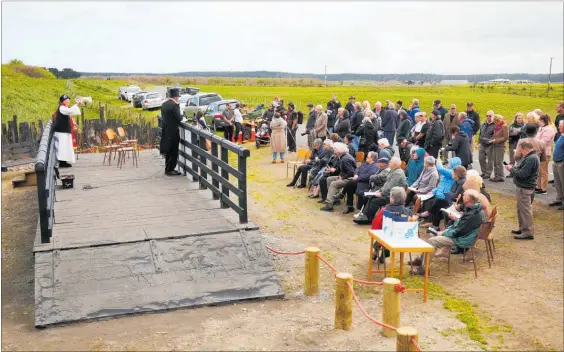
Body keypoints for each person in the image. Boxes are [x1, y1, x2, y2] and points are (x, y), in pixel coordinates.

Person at [409, 190, 485, 275]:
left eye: (464, 196)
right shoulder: (475, 208)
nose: (462, 196)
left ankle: (424, 268)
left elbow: (458, 231)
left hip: (462, 239)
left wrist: (443, 233)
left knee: (432, 241)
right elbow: (463, 225)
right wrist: (455, 221)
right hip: (463, 236)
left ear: (467, 199)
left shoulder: (472, 214)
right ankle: (421, 261)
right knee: (432, 238)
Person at [353, 157, 407, 224]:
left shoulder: (397, 173)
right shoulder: (393, 171)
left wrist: (382, 193)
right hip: (389, 193)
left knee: (375, 200)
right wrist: (379, 191)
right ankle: (365, 216)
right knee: (372, 197)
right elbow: (386, 185)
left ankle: (369, 219)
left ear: (395, 164)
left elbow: (390, 187)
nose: (389, 163)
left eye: (390, 162)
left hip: (394, 196)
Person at [505, 141, 540, 240]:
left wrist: (511, 169)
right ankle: (522, 228)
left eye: (520, 150)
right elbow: (522, 170)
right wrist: (514, 168)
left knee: (525, 211)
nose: (519, 152)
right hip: (524, 187)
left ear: (525, 149)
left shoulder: (531, 158)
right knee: (521, 210)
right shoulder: (531, 157)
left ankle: (527, 232)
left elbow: (522, 174)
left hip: (525, 188)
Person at [320, 142, 357, 212]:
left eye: (335, 150)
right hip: (344, 177)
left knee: (333, 183)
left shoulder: (345, 159)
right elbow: (343, 170)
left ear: (339, 151)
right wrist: (335, 170)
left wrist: (342, 177)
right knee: (329, 179)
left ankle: (329, 204)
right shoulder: (343, 157)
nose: (334, 152)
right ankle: (334, 199)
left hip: (349, 179)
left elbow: (351, 173)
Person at [53, 94, 80, 169]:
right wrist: (77, 104)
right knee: (62, 147)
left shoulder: (64, 108)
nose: (68, 101)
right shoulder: (62, 108)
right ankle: (62, 162)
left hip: (64, 131)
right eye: (66, 100)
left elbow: (71, 113)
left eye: (68, 100)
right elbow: (71, 111)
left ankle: (64, 162)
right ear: (63, 101)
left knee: (65, 147)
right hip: (61, 132)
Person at [159, 88, 183, 175]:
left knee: (168, 151)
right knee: (174, 151)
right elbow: (179, 118)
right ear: (176, 97)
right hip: (173, 132)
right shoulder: (175, 105)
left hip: (166, 131)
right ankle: (170, 169)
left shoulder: (164, 104)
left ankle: (167, 168)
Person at [535, 114, 556, 194]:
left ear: (543, 121)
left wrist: (534, 143)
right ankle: (538, 186)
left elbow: (544, 141)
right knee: (539, 170)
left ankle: (543, 189)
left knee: (543, 171)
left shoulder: (549, 129)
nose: (538, 122)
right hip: (538, 151)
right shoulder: (541, 128)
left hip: (544, 152)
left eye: (539, 120)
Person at [549, 120, 564, 210]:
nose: (558, 127)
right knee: (557, 182)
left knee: (563, 182)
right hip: (555, 161)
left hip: (561, 163)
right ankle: (559, 198)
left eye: (560, 126)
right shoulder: (560, 135)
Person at [490, 114, 509, 182]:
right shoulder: (496, 126)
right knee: (495, 161)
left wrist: (497, 140)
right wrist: (491, 139)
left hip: (500, 146)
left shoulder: (504, 126)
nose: (495, 122)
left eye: (495, 121)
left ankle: (500, 176)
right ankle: (496, 175)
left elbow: (506, 137)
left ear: (498, 120)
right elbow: (495, 135)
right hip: (495, 145)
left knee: (499, 161)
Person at [478, 111, 495, 179]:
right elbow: (480, 134)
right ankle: (483, 172)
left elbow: (495, 135)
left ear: (493, 116)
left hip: (490, 145)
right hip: (482, 144)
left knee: (490, 160)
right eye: (487, 115)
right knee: (481, 158)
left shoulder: (495, 125)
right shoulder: (483, 124)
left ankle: (488, 174)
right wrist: (479, 142)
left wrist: (490, 141)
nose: (488, 117)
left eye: (490, 116)